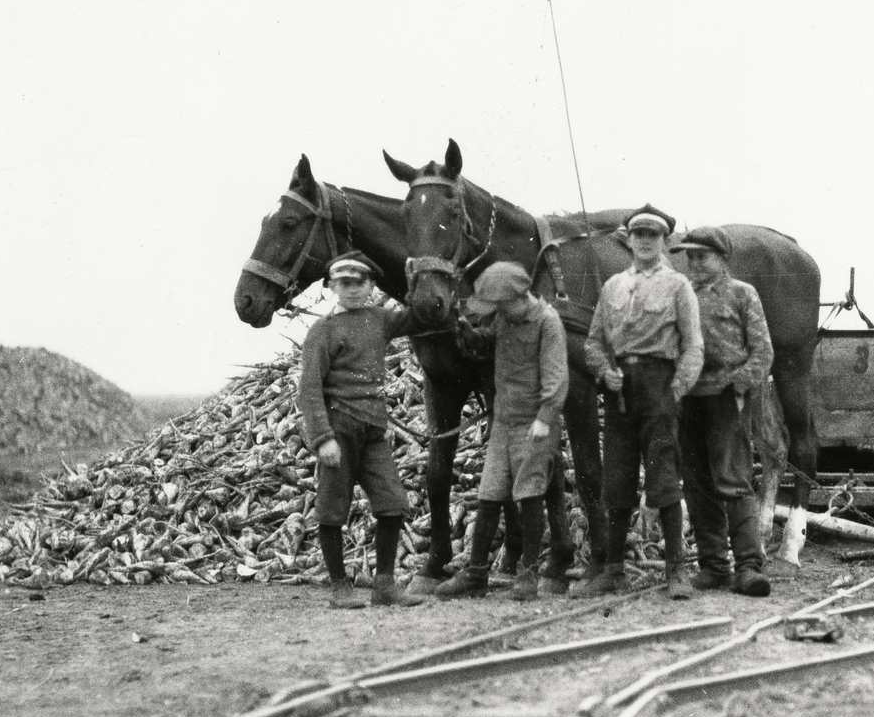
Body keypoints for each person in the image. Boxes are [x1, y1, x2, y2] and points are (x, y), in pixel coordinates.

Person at [578, 204, 704, 599]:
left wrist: (676, 389)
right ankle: (614, 571)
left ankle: (676, 572)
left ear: (665, 241)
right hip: (620, 390)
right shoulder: (613, 286)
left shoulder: (678, 286)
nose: (646, 242)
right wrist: (603, 370)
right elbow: (594, 341)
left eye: (654, 236)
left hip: (659, 387)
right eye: (639, 235)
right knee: (617, 477)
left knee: (664, 477)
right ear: (628, 240)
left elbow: (693, 345)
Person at [435, 262, 570, 600]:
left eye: (496, 307)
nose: (493, 314)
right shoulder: (504, 319)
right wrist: (467, 332)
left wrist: (545, 417)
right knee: (489, 494)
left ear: (514, 298)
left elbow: (556, 377)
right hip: (504, 422)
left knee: (529, 495)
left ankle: (527, 575)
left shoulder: (547, 322)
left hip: (535, 424)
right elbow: (487, 343)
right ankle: (477, 574)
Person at [297, 251, 423, 609]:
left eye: (358, 283)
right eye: (343, 284)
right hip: (339, 427)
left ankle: (384, 585)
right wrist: (323, 438)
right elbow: (309, 388)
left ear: (371, 286)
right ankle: (340, 587)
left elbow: (418, 317)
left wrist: (415, 282)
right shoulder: (324, 330)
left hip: (373, 430)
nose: (351, 290)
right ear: (333, 286)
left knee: (393, 502)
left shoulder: (379, 320)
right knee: (332, 507)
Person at [675, 227, 774, 597]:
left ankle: (748, 566)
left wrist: (741, 385)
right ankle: (714, 566)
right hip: (689, 396)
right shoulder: (681, 295)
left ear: (723, 259)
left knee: (733, 480)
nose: (695, 263)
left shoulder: (742, 294)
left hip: (727, 396)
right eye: (690, 257)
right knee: (697, 484)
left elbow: (763, 352)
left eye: (703, 256)